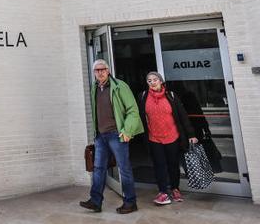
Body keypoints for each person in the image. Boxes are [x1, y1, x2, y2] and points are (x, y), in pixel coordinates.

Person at [79, 59, 143, 214]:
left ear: (108, 70)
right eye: (97, 70)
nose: (100, 72)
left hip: (117, 134)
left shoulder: (120, 86)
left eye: (103, 69)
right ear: (94, 73)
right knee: (98, 168)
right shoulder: (95, 87)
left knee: (124, 169)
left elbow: (133, 110)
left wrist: (127, 131)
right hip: (101, 136)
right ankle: (95, 201)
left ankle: (130, 202)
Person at [139, 72, 197, 205]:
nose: (152, 82)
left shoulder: (171, 96)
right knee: (159, 166)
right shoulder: (143, 97)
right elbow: (141, 118)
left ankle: (175, 189)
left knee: (173, 165)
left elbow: (183, 116)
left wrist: (191, 134)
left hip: (172, 136)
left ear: (161, 81)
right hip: (154, 138)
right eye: (149, 80)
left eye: (155, 80)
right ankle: (163, 192)